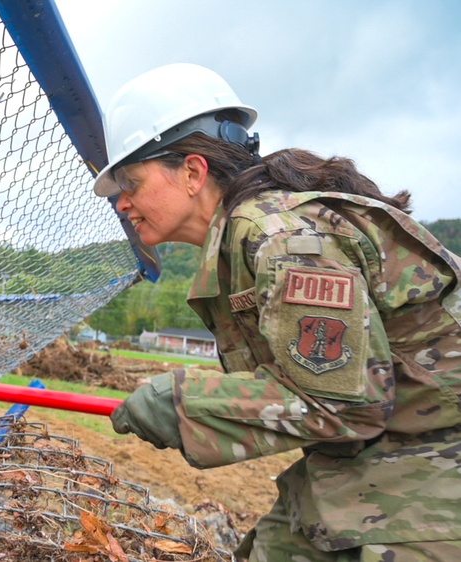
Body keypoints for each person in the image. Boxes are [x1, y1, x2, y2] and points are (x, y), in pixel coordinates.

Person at [96, 63, 461, 561]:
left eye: (131, 184)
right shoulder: (242, 242)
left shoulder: (283, 238)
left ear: (192, 171)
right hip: (383, 452)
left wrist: (182, 402)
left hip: (432, 467)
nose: (122, 204)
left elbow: (346, 403)